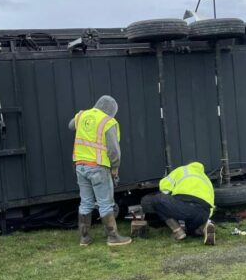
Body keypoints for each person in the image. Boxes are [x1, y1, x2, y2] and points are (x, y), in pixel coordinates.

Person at [69, 95, 131, 247]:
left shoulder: (82, 115)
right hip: (98, 167)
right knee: (105, 203)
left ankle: (84, 238)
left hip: (80, 165)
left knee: (86, 202)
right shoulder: (108, 122)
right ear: (111, 110)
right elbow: (114, 151)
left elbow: (71, 125)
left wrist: (82, 116)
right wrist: (115, 168)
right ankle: (113, 236)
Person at [140, 161, 216, 245]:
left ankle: (178, 231)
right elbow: (211, 204)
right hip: (204, 211)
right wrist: (206, 217)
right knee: (191, 230)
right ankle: (204, 226)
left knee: (157, 200)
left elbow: (164, 188)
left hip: (184, 204)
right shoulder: (205, 178)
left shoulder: (182, 170)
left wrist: (169, 198)